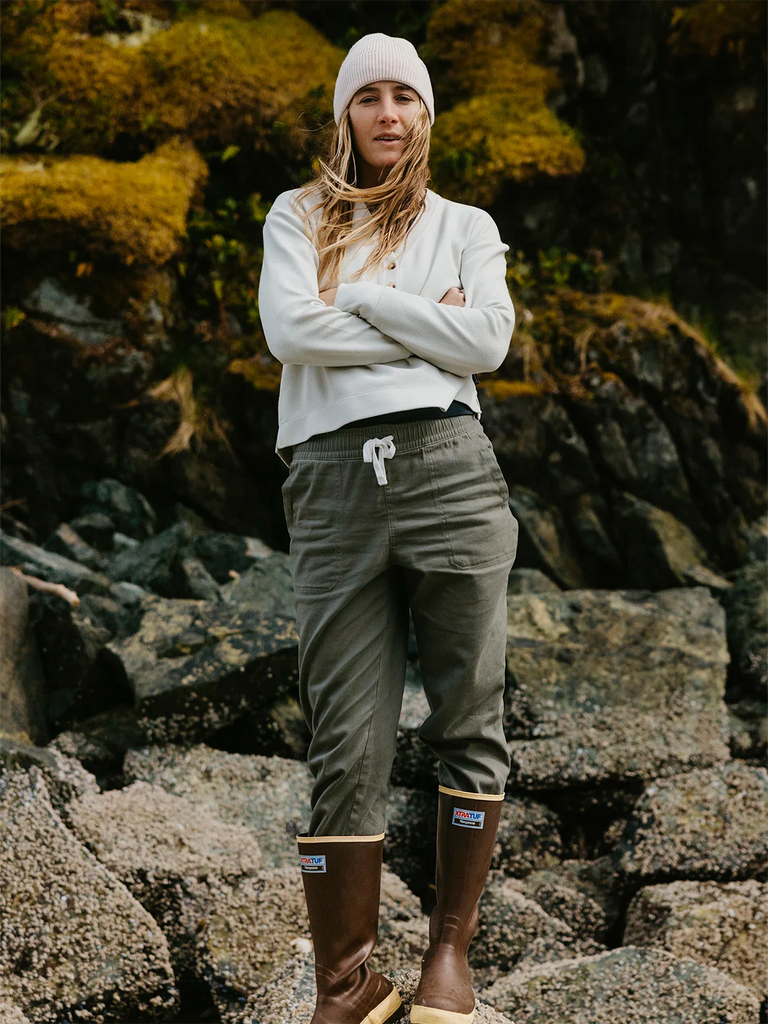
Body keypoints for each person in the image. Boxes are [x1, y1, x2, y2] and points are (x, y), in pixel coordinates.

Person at [258, 31, 519, 1024]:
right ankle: (346, 986)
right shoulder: (296, 214)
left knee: (469, 713)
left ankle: (448, 955)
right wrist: (421, 321)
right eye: (368, 98)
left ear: (426, 115)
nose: (388, 115)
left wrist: (362, 298)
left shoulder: (466, 224)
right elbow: (290, 330)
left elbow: (486, 340)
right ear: (344, 114)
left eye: (404, 97)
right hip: (330, 484)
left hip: (450, 471)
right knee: (343, 740)